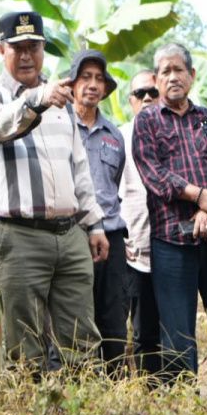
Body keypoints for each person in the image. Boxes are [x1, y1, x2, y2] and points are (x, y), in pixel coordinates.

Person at [0, 10, 108, 370]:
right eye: (19, 48)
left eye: (34, 46)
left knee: (81, 341)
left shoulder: (62, 100)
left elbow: (79, 166)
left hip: (70, 233)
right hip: (18, 236)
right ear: (2, 50)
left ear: (43, 48)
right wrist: (37, 100)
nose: (27, 55)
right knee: (25, 347)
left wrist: (94, 224)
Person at [131, 42, 207, 400]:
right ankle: (186, 410)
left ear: (192, 76)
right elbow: (154, 174)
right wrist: (199, 196)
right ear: (156, 79)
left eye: (178, 70)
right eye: (165, 71)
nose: (172, 77)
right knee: (178, 337)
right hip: (171, 244)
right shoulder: (147, 121)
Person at [66, 49, 128, 374]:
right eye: (85, 78)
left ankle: (115, 391)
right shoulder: (59, 126)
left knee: (113, 317)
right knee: (75, 317)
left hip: (112, 236)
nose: (92, 85)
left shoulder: (114, 136)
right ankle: (79, 389)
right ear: (72, 84)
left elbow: (114, 184)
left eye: (99, 79)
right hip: (72, 234)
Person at [118, 70, 162, 378]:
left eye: (153, 92)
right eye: (140, 94)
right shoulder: (119, 136)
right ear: (131, 101)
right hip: (136, 248)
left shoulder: (178, 131)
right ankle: (150, 392)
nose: (147, 98)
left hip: (175, 246)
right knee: (142, 326)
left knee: (174, 324)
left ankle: (180, 392)